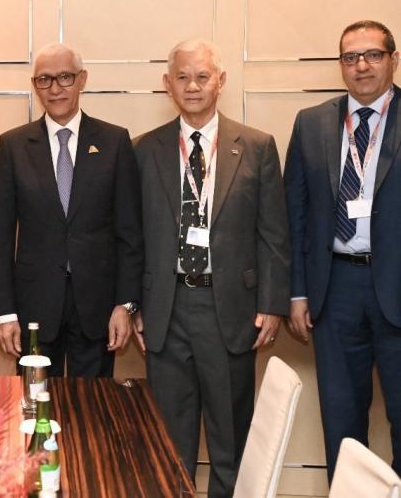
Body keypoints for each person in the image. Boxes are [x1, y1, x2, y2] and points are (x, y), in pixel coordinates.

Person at [133, 39, 290, 497]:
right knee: (169, 441)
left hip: (231, 310)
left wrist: (272, 304)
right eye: (182, 77)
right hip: (165, 309)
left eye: (202, 76)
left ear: (220, 81)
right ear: (167, 84)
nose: (192, 86)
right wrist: (133, 304)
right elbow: (132, 238)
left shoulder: (257, 147)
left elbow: (273, 234)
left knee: (230, 439)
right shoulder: (143, 150)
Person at [285, 20, 401, 479]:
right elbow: (294, 214)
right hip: (334, 290)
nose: (361, 66)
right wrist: (298, 292)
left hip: (397, 285)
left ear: (393, 59)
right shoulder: (311, 123)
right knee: (342, 422)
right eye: (351, 57)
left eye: (373, 54)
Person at [0, 42, 143, 377]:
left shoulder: (114, 142)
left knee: (92, 404)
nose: (55, 88)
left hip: (98, 307)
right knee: (35, 400)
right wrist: (5, 313)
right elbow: (0, 238)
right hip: (33, 307)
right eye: (44, 79)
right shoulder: (13, 145)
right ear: (35, 86)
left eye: (65, 77)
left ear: (82, 79)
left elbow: (129, 233)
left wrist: (126, 304)